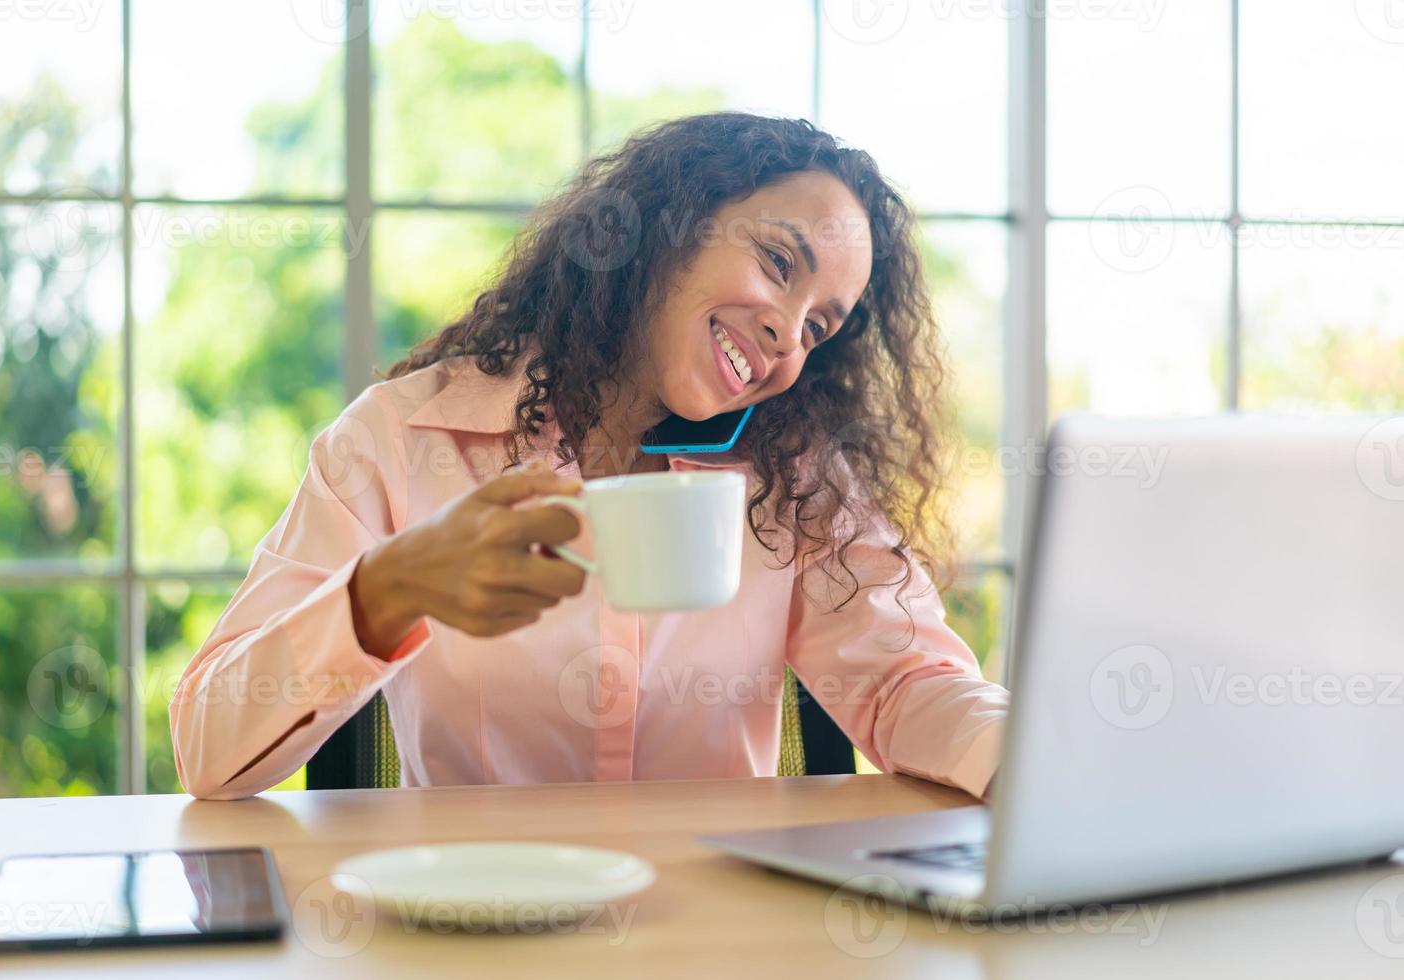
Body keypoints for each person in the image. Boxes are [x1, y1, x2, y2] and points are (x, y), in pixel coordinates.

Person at [169, 112, 1009, 801]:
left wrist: (1036, 755)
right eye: (778, 262)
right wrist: (386, 590)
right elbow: (208, 748)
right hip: (477, 929)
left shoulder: (797, 477)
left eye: (818, 327)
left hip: (718, 935)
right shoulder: (399, 438)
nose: (788, 334)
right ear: (670, 227)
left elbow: (911, 685)